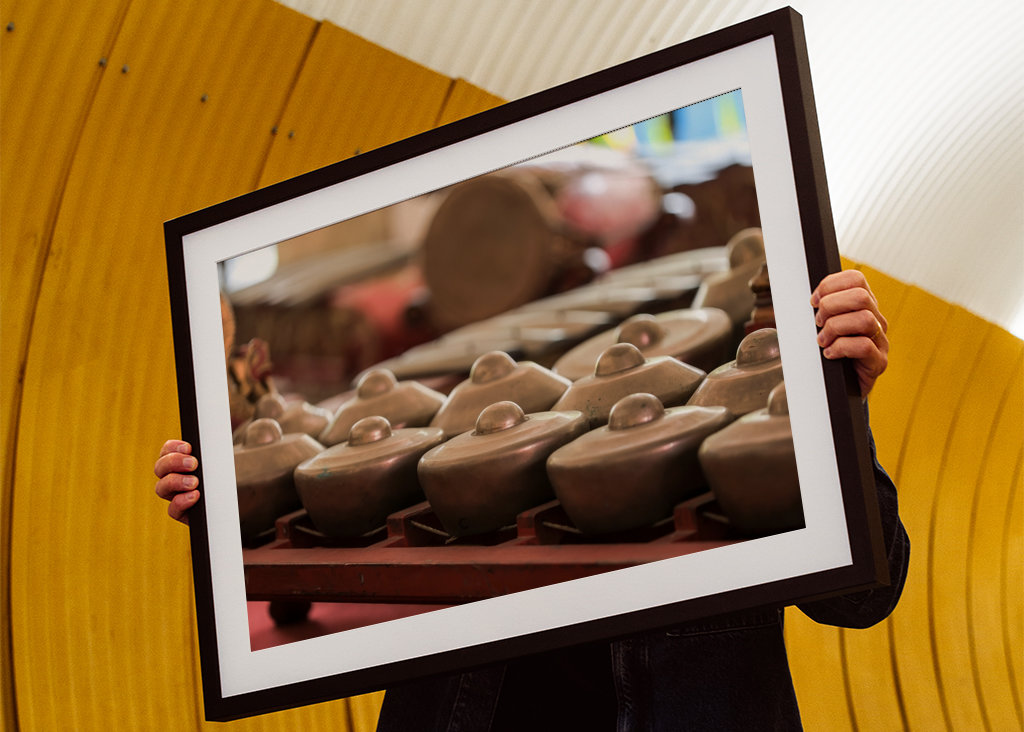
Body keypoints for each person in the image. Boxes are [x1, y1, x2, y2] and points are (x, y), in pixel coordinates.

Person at [155, 270, 908, 730]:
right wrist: (222, 507)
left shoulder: (737, 428)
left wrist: (839, 410)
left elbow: (864, 596)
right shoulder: (450, 461)